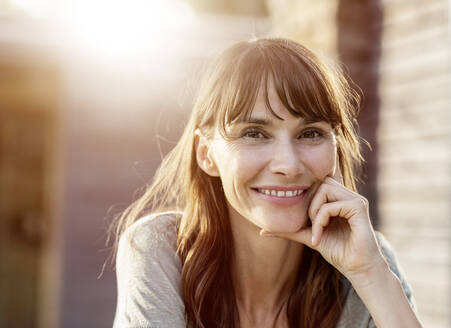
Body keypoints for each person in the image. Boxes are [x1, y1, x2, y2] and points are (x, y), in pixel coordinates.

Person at [111, 38, 423, 328]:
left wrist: (370, 273)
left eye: (310, 133)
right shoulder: (159, 249)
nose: (287, 165)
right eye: (255, 134)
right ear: (207, 155)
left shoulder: (368, 259)